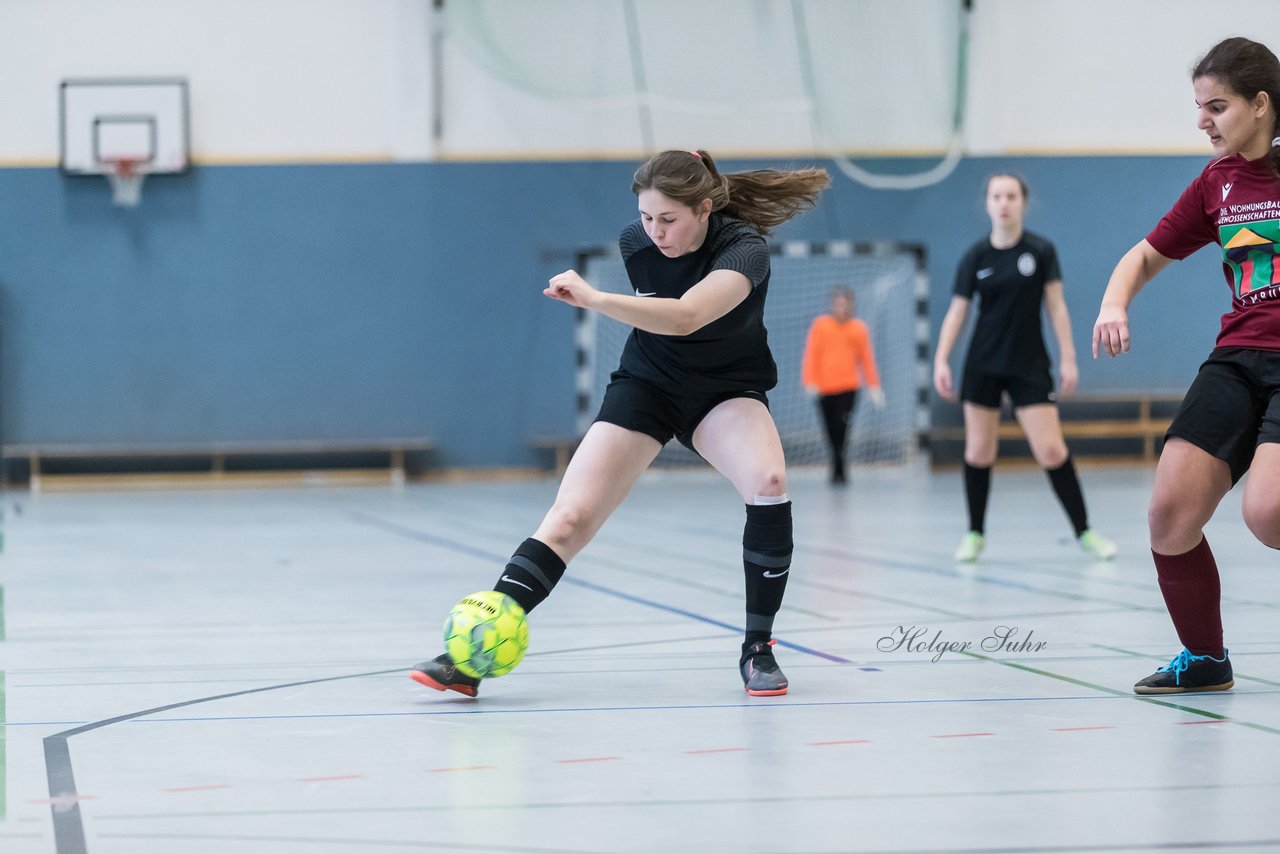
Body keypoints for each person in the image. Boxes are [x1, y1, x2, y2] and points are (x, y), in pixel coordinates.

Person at [410, 149, 830, 697]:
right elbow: (660, 326)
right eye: (647, 216)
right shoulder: (636, 241)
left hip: (726, 391)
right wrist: (616, 296)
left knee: (769, 484)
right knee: (568, 518)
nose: (654, 231)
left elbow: (685, 317)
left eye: (668, 219)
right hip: (648, 384)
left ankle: (758, 649)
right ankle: (470, 656)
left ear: (704, 208)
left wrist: (594, 298)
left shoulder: (745, 249)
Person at [1093, 37, 1280, 695]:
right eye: (1199, 107)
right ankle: (1204, 659)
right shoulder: (1216, 182)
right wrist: (1114, 303)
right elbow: (1143, 256)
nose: (1203, 120)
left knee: (1269, 512)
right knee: (1170, 513)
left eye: (1217, 106)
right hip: (1238, 359)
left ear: (1261, 105)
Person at [934, 174, 1117, 564]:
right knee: (979, 451)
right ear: (987, 203)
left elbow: (1057, 308)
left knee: (1051, 449)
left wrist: (1068, 356)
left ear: (1022, 202)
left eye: (1011, 196)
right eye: (997, 196)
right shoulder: (975, 257)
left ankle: (1085, 531)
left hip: (1029, 363)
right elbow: (958, 312)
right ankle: (975, 533)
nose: (1004, 203)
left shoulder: (1041, 251)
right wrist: (941, 359)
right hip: (982, 364)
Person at [801, 286, 884, 484]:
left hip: (848, 387)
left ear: (851, 305)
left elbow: (866, 359)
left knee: (842, 427)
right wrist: (809, 381)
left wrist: (873, 385)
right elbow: (811, 354)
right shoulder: (820, 326)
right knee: (829, 428)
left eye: (845, 303)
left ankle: (840, 467)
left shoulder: (858, 328)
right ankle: (835, 462)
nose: (841, 307)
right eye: (837, 303)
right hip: (823, 388)